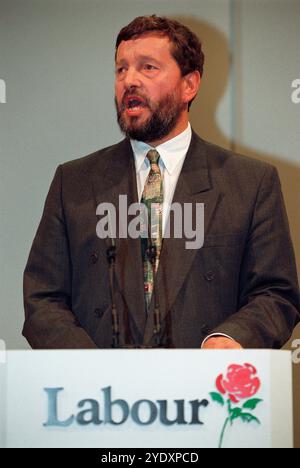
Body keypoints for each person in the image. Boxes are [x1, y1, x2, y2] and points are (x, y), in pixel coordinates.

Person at [23, 15, 300, 349]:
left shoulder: (251, 183)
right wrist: (88, 367)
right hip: (97, 396)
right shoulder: (74, 182)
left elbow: (276, 295)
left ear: (190, 85)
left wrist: (229, 338)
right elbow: (43, 297)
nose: (129, 81)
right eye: (121, 69)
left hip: (201, 390)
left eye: (148, 67)